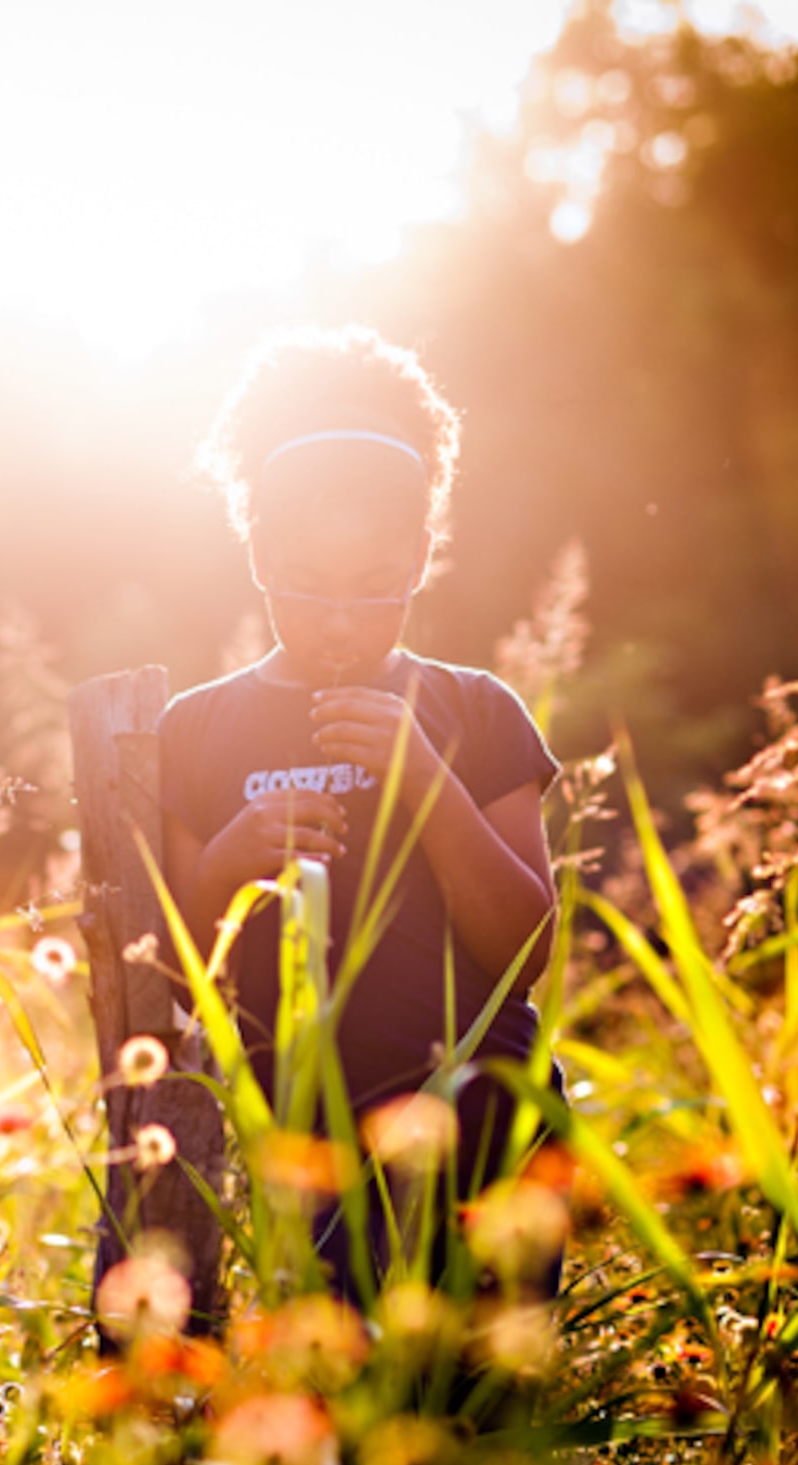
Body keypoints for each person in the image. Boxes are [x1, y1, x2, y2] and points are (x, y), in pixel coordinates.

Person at [152, 326, 563, 1311]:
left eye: (373, 590)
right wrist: (227, 862)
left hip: (480, 1113)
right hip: (306, 1141)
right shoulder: (195, 732)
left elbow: (524, 940)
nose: (341, 621)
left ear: (419, 559)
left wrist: (423, 776)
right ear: (256, 556)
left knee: (480, 1403)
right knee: (343, 1402)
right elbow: (158, 970)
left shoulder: (474, 712)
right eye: (310, 589)